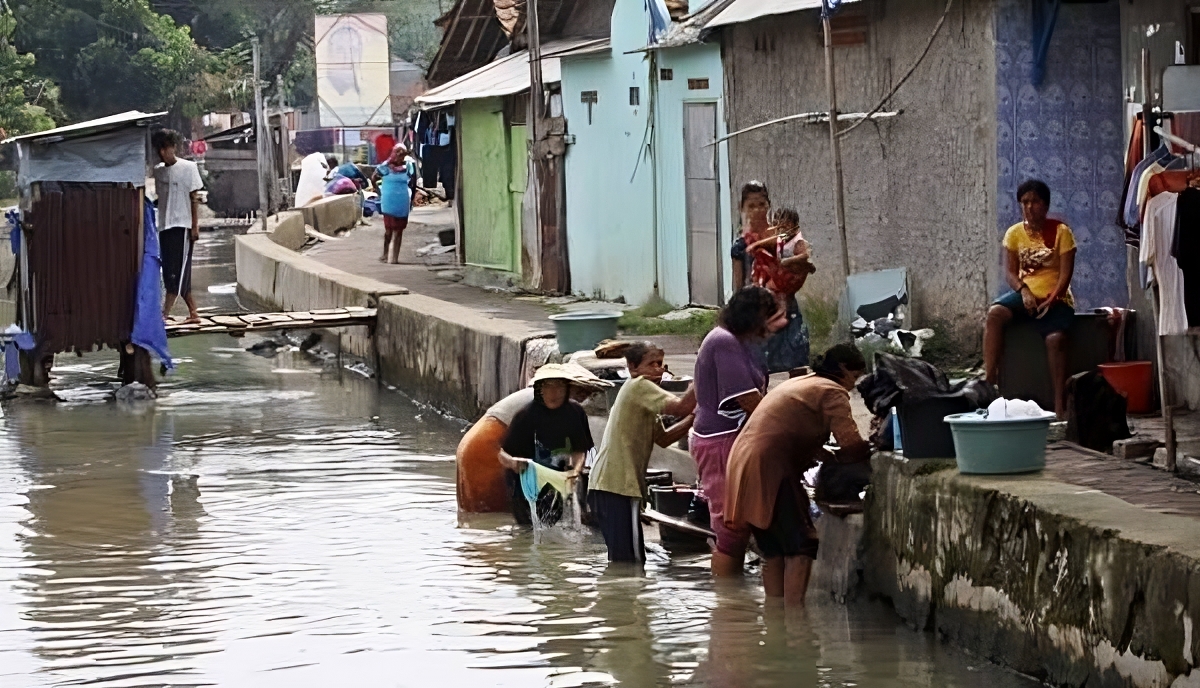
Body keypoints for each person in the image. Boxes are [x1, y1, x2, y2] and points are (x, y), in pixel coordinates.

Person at [725, 344, 871, 607]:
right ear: (843, 370)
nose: (853, 386)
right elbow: (850, 442)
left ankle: (775, 619)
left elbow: (786, 427)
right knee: (802, 544)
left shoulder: (803, 382)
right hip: (771, 466)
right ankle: (795, 620)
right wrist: (873, 450)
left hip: (743, 460)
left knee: (774, 549)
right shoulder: (832, 391)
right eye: (855, 377)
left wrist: (822, 453)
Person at [689, 287, 787, 576]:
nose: (774, 325)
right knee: (731, 527)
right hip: (720, 441)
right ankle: (728, 607)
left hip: (732, 438)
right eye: (770, 317)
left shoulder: (740, 343)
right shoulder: (723, 341)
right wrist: (789, 426)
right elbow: (749, 400)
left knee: (741, 522)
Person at [588, 342, 697, 562]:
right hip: (617, 486)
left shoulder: (641, 397)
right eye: (652, 364)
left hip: (611, 487)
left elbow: (664, 439)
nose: (659, 369)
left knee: (627, 559)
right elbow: (680, 407)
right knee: (630, 562)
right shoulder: (639, 386)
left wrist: (693, 418)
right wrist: (704, 374)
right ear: (633, 367)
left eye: (661, 364)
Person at [456, 364, 609, 513]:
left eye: (588, 395)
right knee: (489, 510)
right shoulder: (537, 405)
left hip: (475, 441)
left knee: (476, 515)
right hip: (488, 443)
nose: (584, 399)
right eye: (581, 393)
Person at [983, 179, 1077, 418]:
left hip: (1057, 300)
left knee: (1055, 340)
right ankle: (988, 384)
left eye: (1035, 201)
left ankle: (1059, 407)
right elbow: (1011, 273)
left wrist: (1051, 300)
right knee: (995, 313)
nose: (1029, 207)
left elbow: (1065, 276)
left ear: (1045, 205)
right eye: (1025, 202)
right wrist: (1023, 291)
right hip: (1026, 296)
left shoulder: (1061, 233)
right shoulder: (1014, 234)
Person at [498, 364, 596, 525]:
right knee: (529, 531)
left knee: (569, 527)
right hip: (526, 484)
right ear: (539, 390)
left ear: (567, 389)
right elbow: (502, 454)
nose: (554, 393)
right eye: (548, 386)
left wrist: (576, 470)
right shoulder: (525, 416)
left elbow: (579, 450)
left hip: (562, 479)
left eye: (559, 386)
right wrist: (514, 463)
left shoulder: (575, 412)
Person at [747, 208, 814, 374]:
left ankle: (796, 382)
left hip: (786, 296)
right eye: (776, 224)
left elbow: (805, 256)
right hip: (775, 296)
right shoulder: (780, 240)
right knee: (768, 342)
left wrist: (785, 262)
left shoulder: (798, 242)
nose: (779, 228)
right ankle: (764, 371)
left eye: (783, 225)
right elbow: (758, 247)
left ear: (793, 225)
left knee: (795, 348)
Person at [151, 129, 205, 325]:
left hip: (183, 224)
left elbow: (194, 198)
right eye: (160, 149)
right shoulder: (158, 171)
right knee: (168, 270)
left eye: (166, 148)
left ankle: (168, 313)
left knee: (180, 270)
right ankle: (192, 313)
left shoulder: (189, 168)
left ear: (173, 147)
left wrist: (195, 226)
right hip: (164, 225)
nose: (163, 153)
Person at [373, 144, 417, 264]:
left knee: (399, 230)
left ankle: (394, 258)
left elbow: (413, 183)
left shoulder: (408, 166)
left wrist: (412, 199)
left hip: (402, 200)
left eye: (402, 154)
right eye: (397, 153)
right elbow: (374, 178)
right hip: (388, 200)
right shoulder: (385, 167)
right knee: (388, 230)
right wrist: (378, 191)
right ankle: (385, 254)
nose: (399, 156)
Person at [730, 181, 772, 290]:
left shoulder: (779, 238)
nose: (757, 210)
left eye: (762, 204)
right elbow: (739, 287)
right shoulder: (740, 246)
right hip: (754, 302)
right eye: (751, 206)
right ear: (742, 208)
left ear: (769, 205)